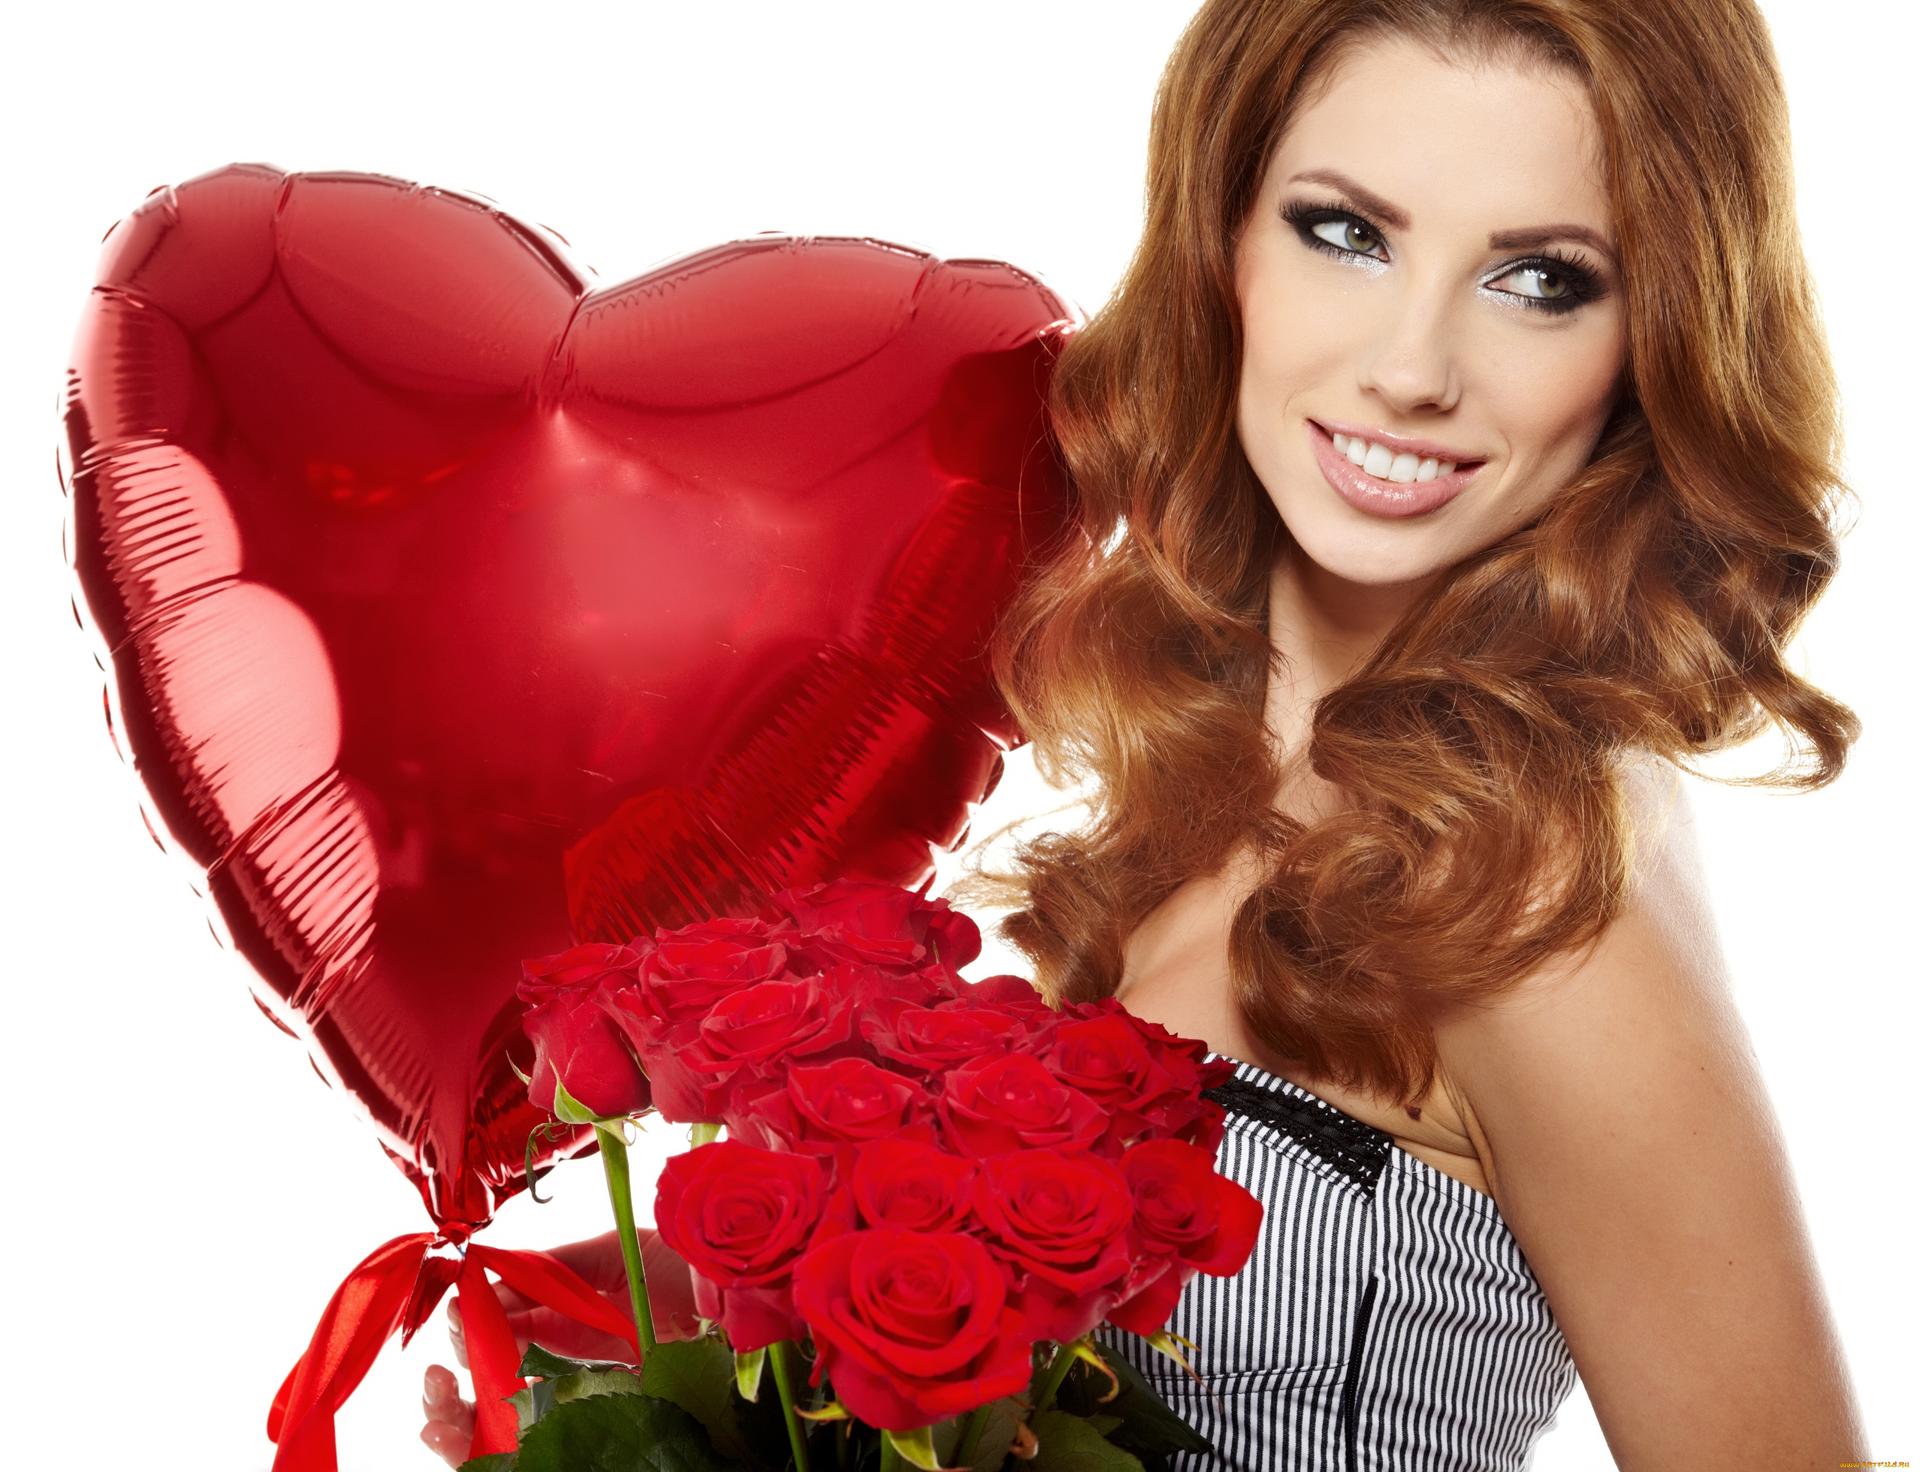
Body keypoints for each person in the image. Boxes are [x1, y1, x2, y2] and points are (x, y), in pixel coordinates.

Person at [425, 0, 1871, 1466]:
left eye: (1540, 280)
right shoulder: (1226, 761)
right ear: (1222, 241)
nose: (1412, 366)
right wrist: (695, 1347)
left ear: (1654, 339)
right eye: (1347, 234)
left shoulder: (1544, 907)